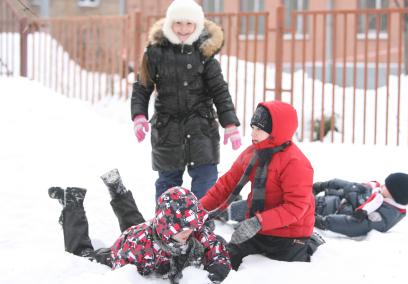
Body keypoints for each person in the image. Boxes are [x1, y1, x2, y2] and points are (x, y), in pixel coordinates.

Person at [131, 0, 241, 200]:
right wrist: (139, 115)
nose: (183, 29)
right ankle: (167, 225)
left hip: (201, 127)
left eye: (189, 24)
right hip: (167, 128)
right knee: (168, 182)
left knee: (206, 179)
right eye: (178, 23)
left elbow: (219, 90)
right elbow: (142, 85)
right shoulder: (155, 53)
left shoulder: (205, 54)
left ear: (197, 25)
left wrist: (230, 123)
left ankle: (201, 224)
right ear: (169, 24)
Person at [48, 169, 231, 284]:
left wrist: (219, 266)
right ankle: (73, 204)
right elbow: (120, 273)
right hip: (128, 247)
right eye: (182, 229)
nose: (189, 233)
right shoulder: (137, 248)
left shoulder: (190, 229)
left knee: (137, 223)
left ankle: (118, 190)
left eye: (191, 227)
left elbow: (214, 244)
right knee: (84, 256)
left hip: (149, 234)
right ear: (168, 227)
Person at [200, 101, 317, 270]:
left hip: (290, 236)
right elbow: (225, 186)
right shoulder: (253, 153)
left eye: (260, 129)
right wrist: (197, 211)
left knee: (271, 274)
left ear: (277, 131)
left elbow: (296, 207)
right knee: (223, 261)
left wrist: (258, 222)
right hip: (258, 229)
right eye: (253, 127)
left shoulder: (296, 163)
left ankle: (310, 245)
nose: (253, 133)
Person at [314, 173, 408, 237]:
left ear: (393, 194)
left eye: (386, 186)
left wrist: (323, 222)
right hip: (327, 200)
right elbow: (352, 187)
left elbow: (355, 225)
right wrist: (323, 186)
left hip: (325, 211)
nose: (382, 185)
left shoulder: (383, 216)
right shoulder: (378, 193)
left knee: (300, 204)